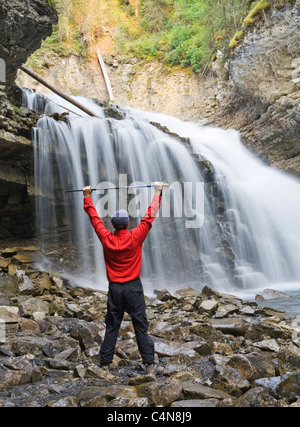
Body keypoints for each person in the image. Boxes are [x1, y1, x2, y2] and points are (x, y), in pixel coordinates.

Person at [83, 182, 164, 377]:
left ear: (112, 224)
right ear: (128, 223)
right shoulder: (136, 236)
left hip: (115, 289)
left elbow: (95, 219)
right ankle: (149, 364)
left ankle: (105, 364)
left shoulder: (106, 238)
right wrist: (158, 192)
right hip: (134, 288)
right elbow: (150, 216)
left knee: (112, 326)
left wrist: (87, 197)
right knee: (140, 327)